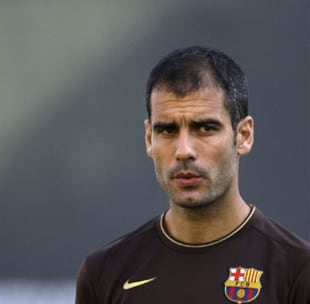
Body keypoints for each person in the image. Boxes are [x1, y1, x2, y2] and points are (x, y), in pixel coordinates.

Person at [75, 46, 310, 303]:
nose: (184, 150)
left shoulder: (296, 270)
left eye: (205, 128)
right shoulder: (104, 273)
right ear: (148, 138)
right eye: (167, 130)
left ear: (243, 136)